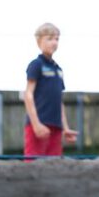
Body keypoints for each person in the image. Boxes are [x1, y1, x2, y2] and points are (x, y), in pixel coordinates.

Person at [23, 22, 78, 157]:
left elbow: (59, 101)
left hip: (56, 128)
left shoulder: (58, 70)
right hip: (39, 126)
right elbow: (28, 94)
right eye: (49, 38)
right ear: (39, 41)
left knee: (54, 167)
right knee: (33, 166)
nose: (54, 42)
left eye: (56, 39)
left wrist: (64, 128)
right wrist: (36, 124)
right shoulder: (36, 65)